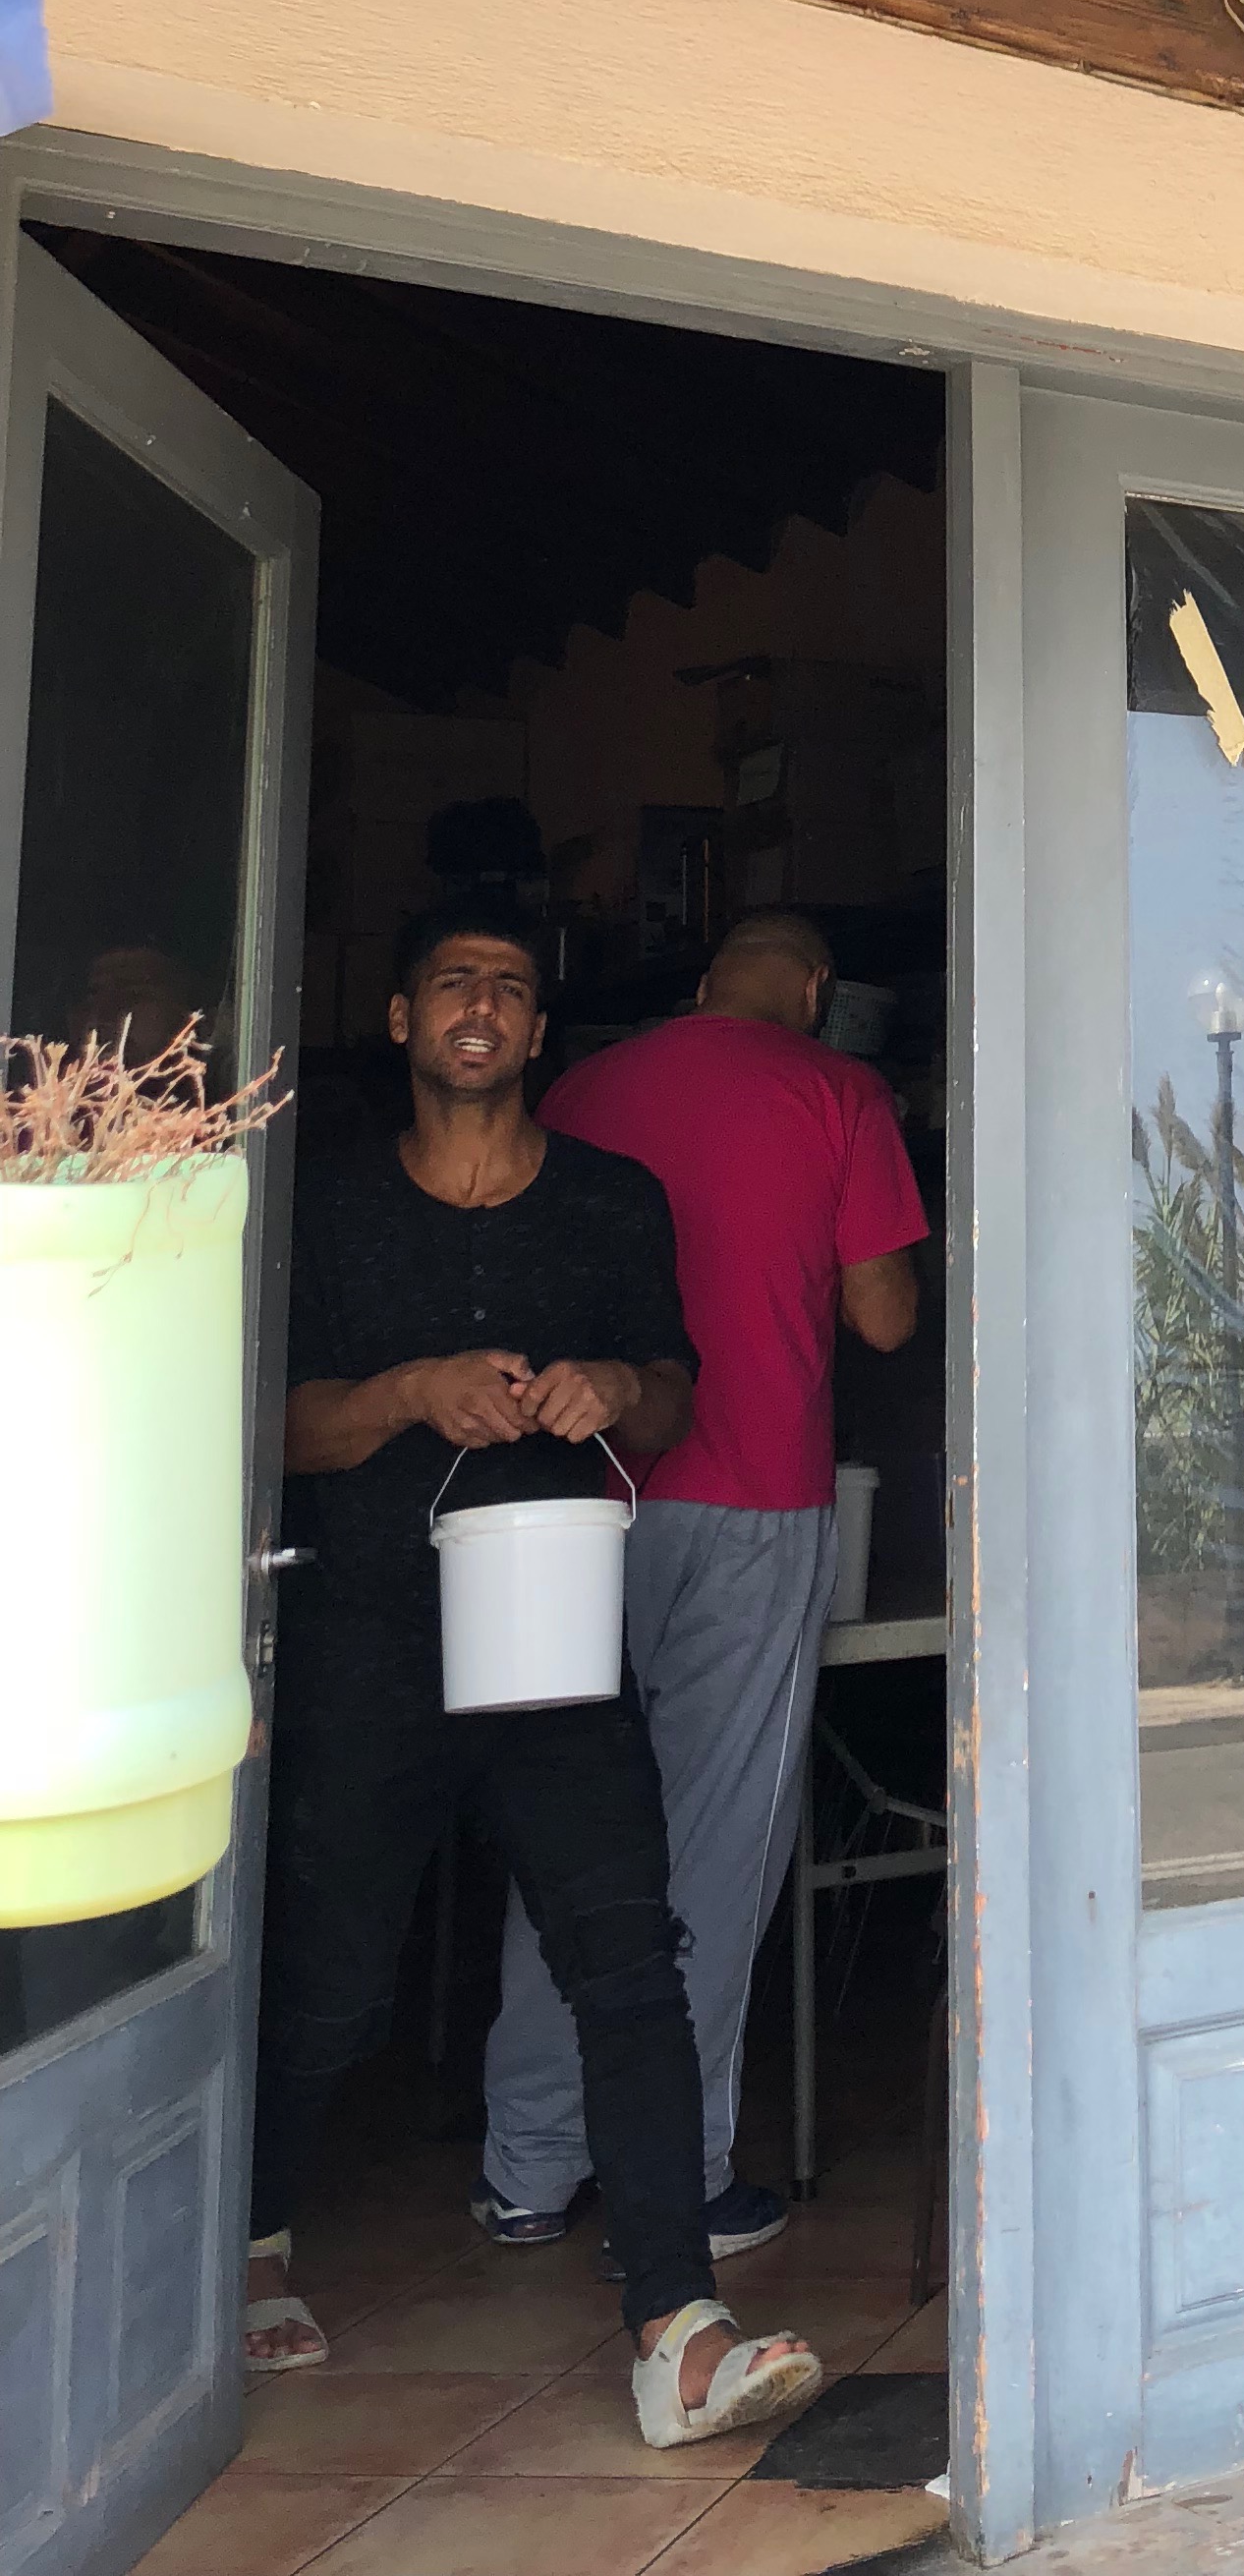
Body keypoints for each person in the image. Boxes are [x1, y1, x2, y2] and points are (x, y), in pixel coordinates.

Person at [245, 903, 822, 2450]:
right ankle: (248, 2238)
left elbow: (671, 1399)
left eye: (509, 987)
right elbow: (274, 1428)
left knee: (629, 1960)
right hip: (373, 1641)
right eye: (453, 982)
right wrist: (407, 1394)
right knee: (328, 1972)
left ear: (539, 1034)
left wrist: (616, 1386)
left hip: (559, 1640)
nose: (481, 1004)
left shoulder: (611, 1202)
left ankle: (678, 2326)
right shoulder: (331, 1207)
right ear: (401, 1019)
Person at [475, 909, 926, 2258]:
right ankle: (683, 2172)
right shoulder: (840, 1093)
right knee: (716, 1841)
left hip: (581, 1493)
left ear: (703, 982)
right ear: (819, 987)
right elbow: (886, 1316)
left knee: (571, 1822)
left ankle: (529, 2162)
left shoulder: (583, 1087)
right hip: (754, 1495)